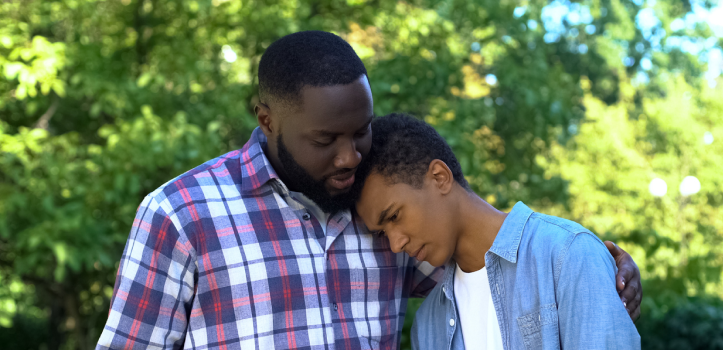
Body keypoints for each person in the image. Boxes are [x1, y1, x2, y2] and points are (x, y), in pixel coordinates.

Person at [96, 31, 642, 349]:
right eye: (325, 139)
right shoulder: (181, 214)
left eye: (361, 131)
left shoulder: (378, 213)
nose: (349, 155)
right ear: (267, 119)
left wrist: (601, 260)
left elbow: (490, 260)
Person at [355, 113, 641, 350]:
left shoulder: (568, 256)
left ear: (439, 177)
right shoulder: (429, 322)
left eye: (394, 216)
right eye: (382, 233)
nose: (395, 244)